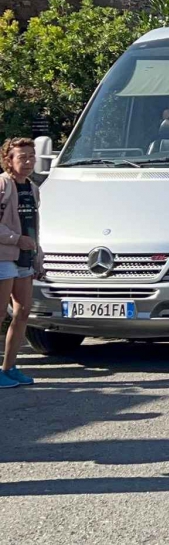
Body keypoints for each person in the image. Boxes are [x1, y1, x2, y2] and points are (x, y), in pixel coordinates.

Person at [0, 137, 42, 388]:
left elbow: (33, 227)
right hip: (4, 256)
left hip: (25, 258)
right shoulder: (3, 185)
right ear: (9, 160)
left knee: (23, 311)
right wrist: (16, 240)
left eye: (31, 157)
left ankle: (10, 367)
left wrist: (38, 256)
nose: (27, 162)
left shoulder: (33, 188)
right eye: (21, 157)